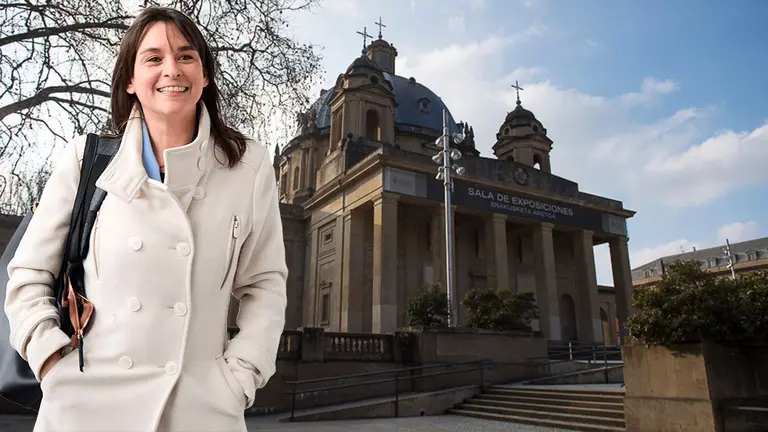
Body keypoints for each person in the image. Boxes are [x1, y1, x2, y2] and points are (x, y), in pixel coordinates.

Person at [4, 6, 287, 432]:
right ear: (131, 81)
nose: (172, 69)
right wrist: (50, 360)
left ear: (204, 75)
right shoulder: (86, 160)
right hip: (84, 407)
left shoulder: (249, 166)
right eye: (153, 58)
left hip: (200, 410)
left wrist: (240, 377)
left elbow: (265, 283)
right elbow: (27, 275)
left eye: (186, 56)